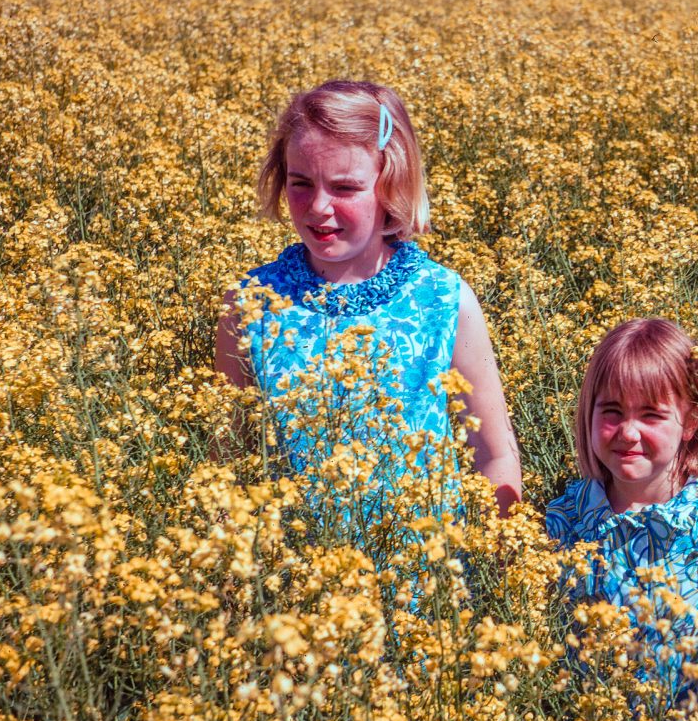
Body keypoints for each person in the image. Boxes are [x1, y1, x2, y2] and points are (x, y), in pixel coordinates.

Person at [215, 80, 522, 524]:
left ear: (392, 186)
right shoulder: (250, 303)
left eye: (344, 188)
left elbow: (494, 455)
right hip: (291, 561)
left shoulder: (443, 299)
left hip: (427, 564)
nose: (318, 207)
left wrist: (500, 555)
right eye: (301, 183)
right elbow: (228, 462)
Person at [545, 318, 698, 721]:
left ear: (691, 422)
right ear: (588, 415)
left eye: (651, 415)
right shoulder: (563, 519)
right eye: (612, 411)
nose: (628, 432)